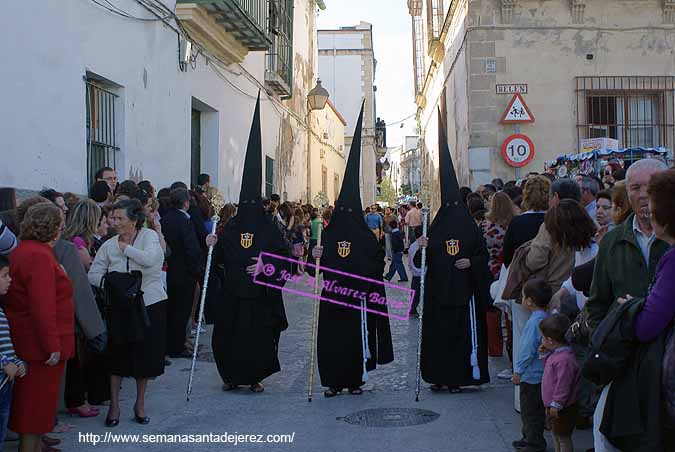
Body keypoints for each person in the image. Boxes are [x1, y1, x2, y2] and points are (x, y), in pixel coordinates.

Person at [585, 158, 669, 452]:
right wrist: (606, 347)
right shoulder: (613, 242)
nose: (644, 194)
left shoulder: (672, 242)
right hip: (625, 367)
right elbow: (597, 304)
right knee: (608, 437)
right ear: (627, 193)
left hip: (669, 365)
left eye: (652, 186)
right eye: (636, 187)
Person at [207, 95, 289, 393]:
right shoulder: (231, 228)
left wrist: (267, 266)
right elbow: (216, 260)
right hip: (232, 295)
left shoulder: (270, 228)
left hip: (259, 297)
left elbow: (286, 262)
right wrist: (211, 242)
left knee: (258, 337)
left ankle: (254, 378)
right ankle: (231, 376)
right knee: (228, 336)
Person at [312, 104, 393, 397]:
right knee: (332, 340)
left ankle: (355, 380)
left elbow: (376, 265)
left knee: (355, 339)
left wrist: (362, 280)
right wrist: (313, 257)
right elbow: (314, 268)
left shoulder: (365, 238)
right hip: (333, 297)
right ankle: (333, 382)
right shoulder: (328, 235)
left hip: (355, 298)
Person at [418, 112, 491, 393]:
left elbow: (483, 257)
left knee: (462, 338)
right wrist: (421, 248)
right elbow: (418, 262)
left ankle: (460, 377)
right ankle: (439, 375)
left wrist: (470, 262)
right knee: (440, 337)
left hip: (464, 294)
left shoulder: (471, 230)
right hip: (438, 294)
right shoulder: (434, 228)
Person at [88, 199, 167, 426]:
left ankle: (139, 404)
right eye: (113, 218)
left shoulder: (149, 237)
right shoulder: (108, 244)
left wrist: (127, 250)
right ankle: (114, 406)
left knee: (145, 356)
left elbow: (152, 260)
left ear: (134, 220)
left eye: (120, 218)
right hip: (120, 307)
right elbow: (93, 273)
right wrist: (112, 282)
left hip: (149, 304)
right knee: (117, 356)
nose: (115, 222)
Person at [5, 203, 74, 452]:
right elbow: (42, 306)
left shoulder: (26, 250)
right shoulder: (38, 255)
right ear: (53, 227)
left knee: (33, 410)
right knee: (34, 413)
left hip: (29, 341)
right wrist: (51, 346)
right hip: (39, 346)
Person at [624, 168, 675, 449]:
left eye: (654, 206)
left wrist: (631, 307)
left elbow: (646, 327)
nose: (648, 209)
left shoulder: (672, 261)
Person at [161, 189, 203, 358]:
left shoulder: (165, 218)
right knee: (181, 311)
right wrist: (196, 268)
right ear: (186, 202)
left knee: (172, 309)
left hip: (171, 270)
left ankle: (173, 344)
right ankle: (177, 346)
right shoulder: (184, 221)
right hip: (184, 272)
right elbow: (191, 248)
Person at [512, 278, 551, 452]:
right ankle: (528, 438)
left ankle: (534, 443)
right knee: (533, 411)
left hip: (531, 375)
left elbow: (527, 349)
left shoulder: (535, 322)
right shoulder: (544, 318)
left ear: (529, 301)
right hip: (540, 374)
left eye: (523, 296)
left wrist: (518, 370)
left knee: (530, 412)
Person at [540, 314, 580, 452]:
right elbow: (551, 371)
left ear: (550, 340)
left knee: (562, 437)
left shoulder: (564, 360)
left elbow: (563, 384)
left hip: (562, 407)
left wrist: (557, 403)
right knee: (556, 435)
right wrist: (545, 355)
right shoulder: (558, 355)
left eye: (543, 337)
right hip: (554, 405)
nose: (542, 340)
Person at [0, 255, 26, 445]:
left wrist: (16, 362)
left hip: (5, 383)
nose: (10, 280)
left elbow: (5, 345)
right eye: (5, 275)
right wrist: (3, 363)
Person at [503, 176, 550, 267]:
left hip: (523, 274)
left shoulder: (517, 222)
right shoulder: (555, 220)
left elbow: (507, 257)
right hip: (550, 275)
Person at [62, 200, 101, 272]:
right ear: (92, 220)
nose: (99, 222)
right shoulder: (78, 241)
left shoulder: (83, 238)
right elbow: (90, 269)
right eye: (98, 219)